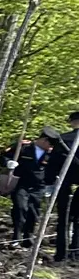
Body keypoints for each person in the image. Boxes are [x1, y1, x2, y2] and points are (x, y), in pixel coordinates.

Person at [6, 131, 53, 246]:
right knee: (20, 208)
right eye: (50, 144)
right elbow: (4, 155)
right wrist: (8, 163)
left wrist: (51, 184)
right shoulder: (23, 147)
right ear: (44, 140)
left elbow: (54, 168)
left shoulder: (51, 153)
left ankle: (28, 236)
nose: (51, 147)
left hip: (39, 186)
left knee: (34, 211)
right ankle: (16, 236)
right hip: (21, 183)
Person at [55, 110, 79, 262]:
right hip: (67, 183)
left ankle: (61, 254)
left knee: (64, 219)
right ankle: (76, 252)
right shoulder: (62, 140)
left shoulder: (63, 139)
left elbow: (53, 164)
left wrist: (50, 181)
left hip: (64, 183)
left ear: (72, 122)